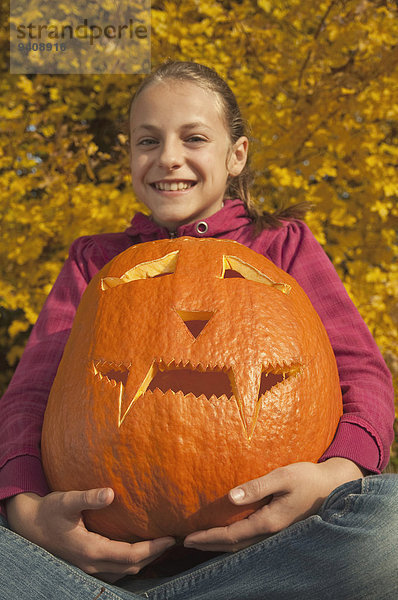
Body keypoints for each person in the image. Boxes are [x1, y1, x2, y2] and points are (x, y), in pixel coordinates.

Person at [1, 60, 397, 600]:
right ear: (130, 156)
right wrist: (25, 509)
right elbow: (30, 397)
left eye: (193, 138)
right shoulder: (95, 261)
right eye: (148, 141)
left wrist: (337, 473)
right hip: (99, 566)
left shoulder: (283, 245)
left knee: (389, 524)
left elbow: (363, 374)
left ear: (236, 155)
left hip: (271, 555)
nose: (168, 158)